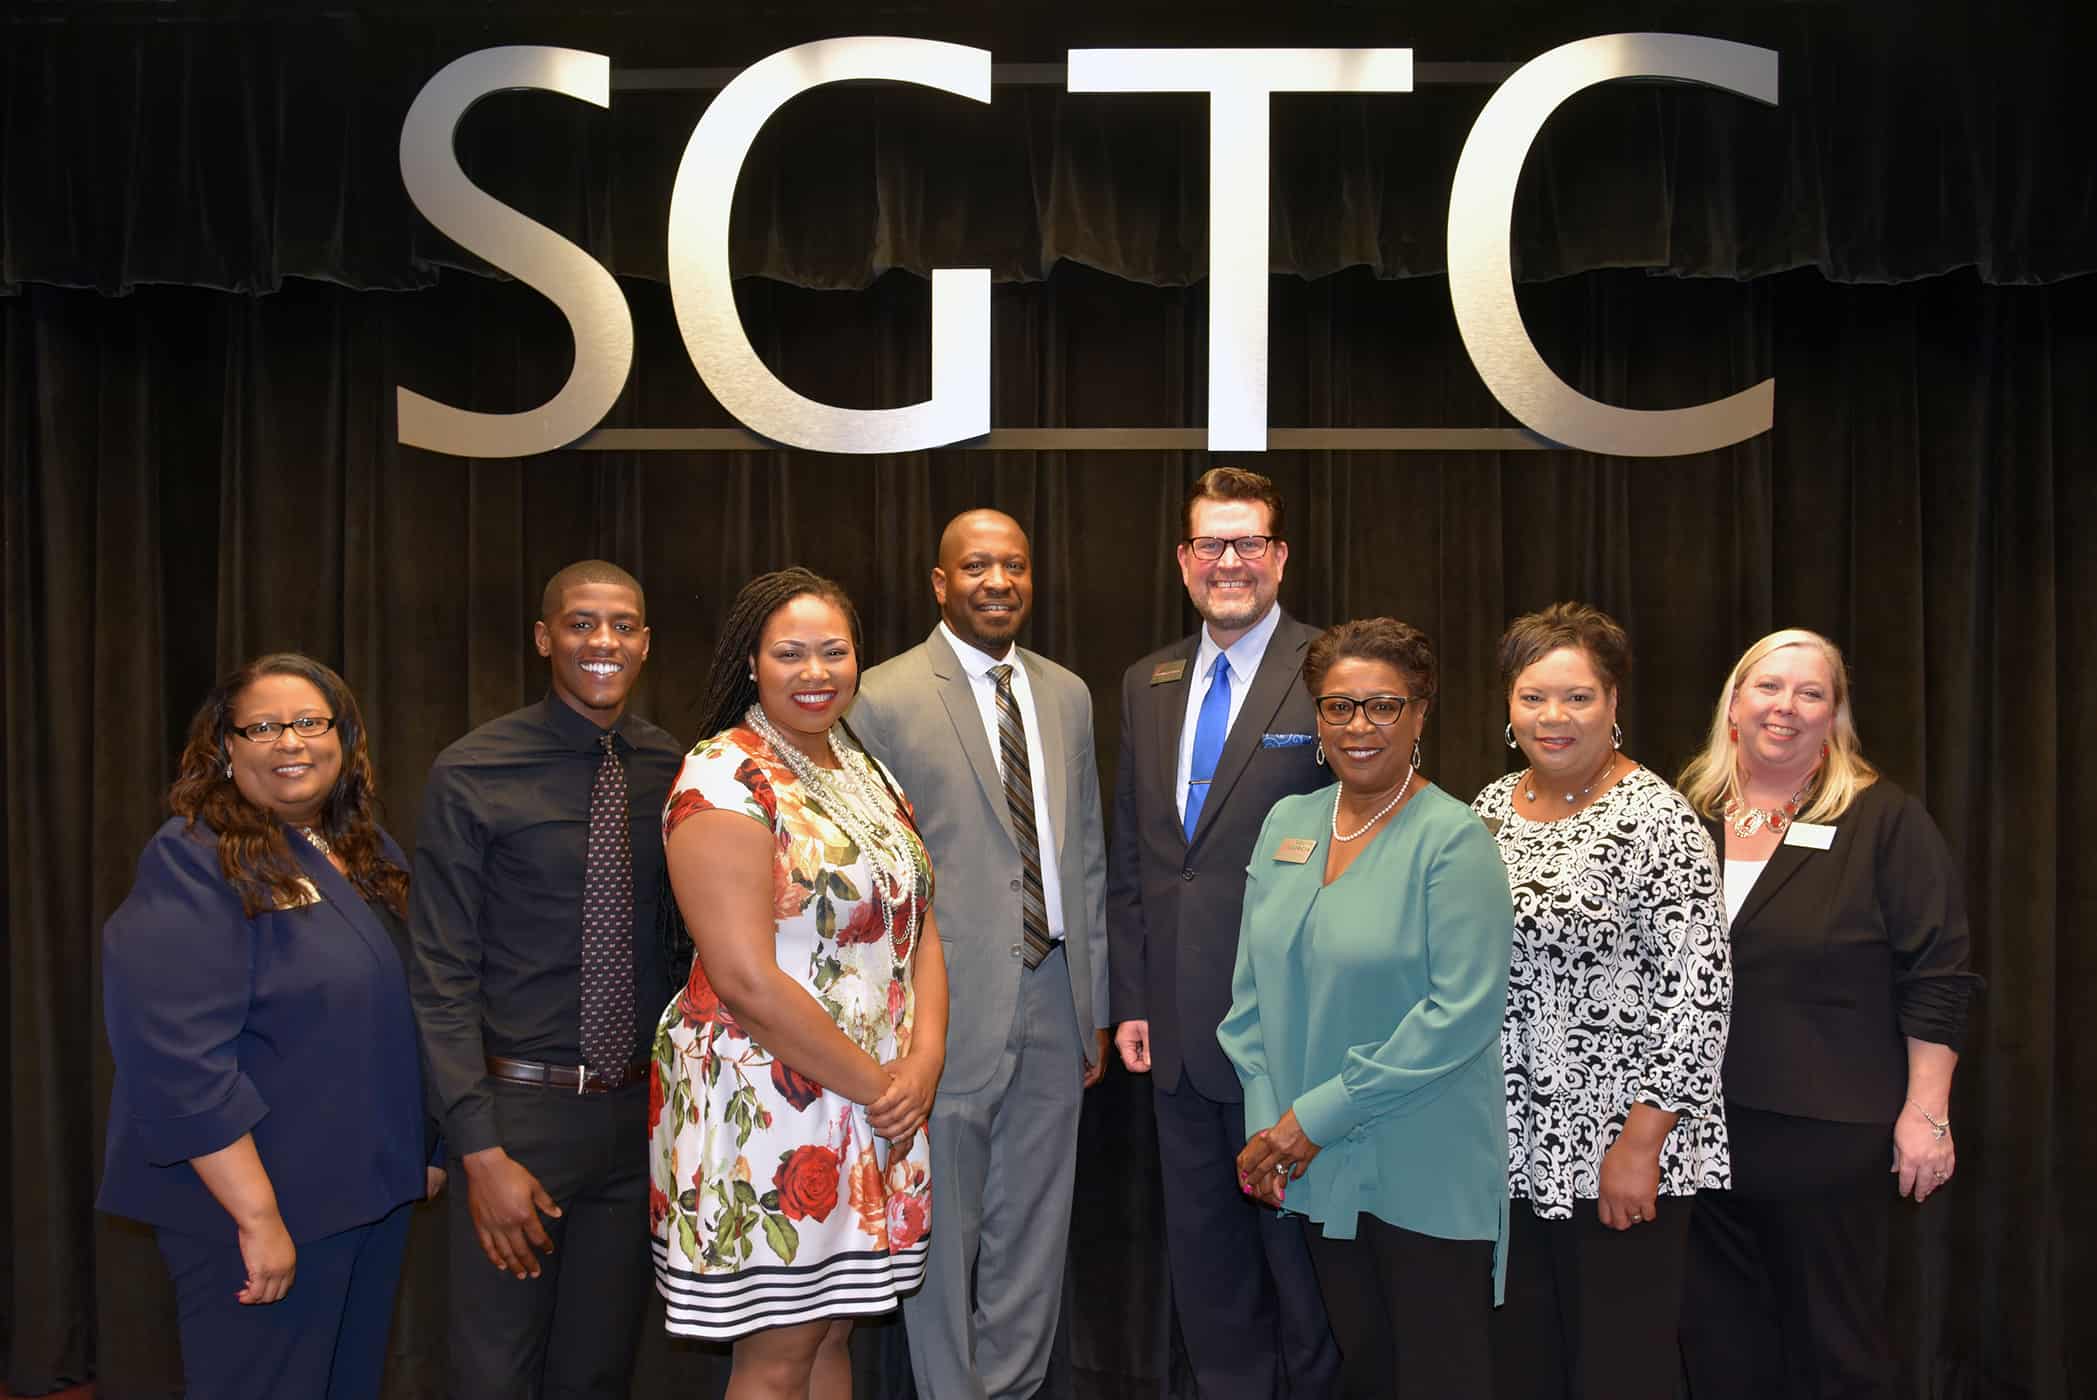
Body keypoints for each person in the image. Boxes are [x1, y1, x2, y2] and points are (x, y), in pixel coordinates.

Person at [100, 652, 438, 1400]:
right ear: (225, 747)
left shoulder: (366, 852)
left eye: (310, 722)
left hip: (364, 1198)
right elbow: (177, 1059)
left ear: (344, 738)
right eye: (264, 726)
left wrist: (426, 1146)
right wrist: (256, 1217)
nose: (291, 741)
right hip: (258, 1211)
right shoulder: (192, 860)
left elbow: (405, 1009)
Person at [649, 566, 947, 1399]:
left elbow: (917, 924)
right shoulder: (720, 776)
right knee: (779, 1356)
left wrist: (919, 1067)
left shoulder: (861, 769)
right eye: (790, 653)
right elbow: (744, 979)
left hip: (873, 1099)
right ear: (751, 662)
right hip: (775, 1104)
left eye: (833, 652)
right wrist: (883, 1086)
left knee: (830, 1339)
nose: (815, 672)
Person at [1676, 629, 1983, 1400]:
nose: (1785, 707)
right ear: (1734, 705)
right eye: (1767, 687)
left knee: (1832, 1347)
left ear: (1833, 715)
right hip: (1692, 1129)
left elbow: (1938, 974)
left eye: (1809, 693)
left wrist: (1927, 1112)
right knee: (1718, 1343)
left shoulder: (1882, 820)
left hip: (1824, 1133)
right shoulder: (1685, 814)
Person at [850, 510, 1111, 1400]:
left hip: (1053, 991)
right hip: (941, 1005)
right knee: (941, 1228)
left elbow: (1084, 854)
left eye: (1013, 566)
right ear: (939, 582)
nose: (997, 581)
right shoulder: (879, 695)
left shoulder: (1067, 692)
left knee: (1034, 1230)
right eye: (976, 567)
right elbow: (872, 875)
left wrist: (1093, 1007)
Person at [409, 560, 684, 1400]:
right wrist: (477, 1149)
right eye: (580, 623)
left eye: (622, 625)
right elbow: (439, 973)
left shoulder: (676, 770)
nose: (602, 641)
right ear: (544, 638)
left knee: (598, 1372)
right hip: (517, 1123)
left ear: (644, 643)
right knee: (495, 1373)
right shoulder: (471, 772)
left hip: (633, 1122)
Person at [1222, 618, 1513, 1400]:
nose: (1358, 726)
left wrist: (1308, 1119)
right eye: (1338, 706)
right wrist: (1267, 1125)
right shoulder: (1287, 825)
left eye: (1383, 705)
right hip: (1313, 1162)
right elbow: (1248, 998)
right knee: (1366, 1371)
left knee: (1437, 1377)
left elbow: (1461, 1013)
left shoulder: (1454, 839)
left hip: (1424, 1159)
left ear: (1420, 714)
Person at [1107, 465, 1341, 1396]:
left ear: (1279, 557)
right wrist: (1131, 997)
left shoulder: (1333, 671)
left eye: (1248, 543)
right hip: (1173, 1028)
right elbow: (1136, 851)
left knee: (1304, 1267)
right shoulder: (1145, 680)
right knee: (1205, 1267)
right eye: (1211, 543)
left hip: (1294, 1033)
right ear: (1182, 559)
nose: (1229, 562)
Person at [1470, 603, 1731, 1400]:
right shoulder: (1483, 811)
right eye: (1533, 696)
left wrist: (1639, 1146)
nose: (1554, 716)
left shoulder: (1657, 818)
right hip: (1508, 1147)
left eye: (1577, 696)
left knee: (1619, 1368)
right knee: (1523, 1363)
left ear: (1613, 703)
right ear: (1508, 707)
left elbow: (1700, 991)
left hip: (1620, 1146)